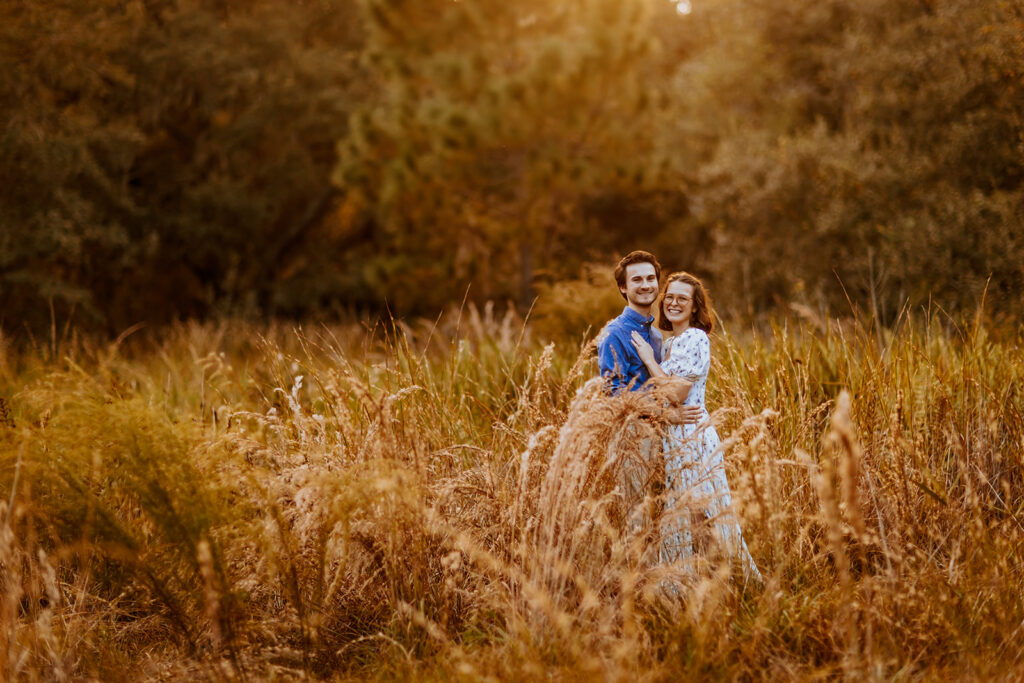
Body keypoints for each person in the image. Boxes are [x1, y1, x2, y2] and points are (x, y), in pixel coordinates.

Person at [630, 271, 761, 581]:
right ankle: (697, 581)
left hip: (693, 434)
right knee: (684, 511)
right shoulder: (670, 342)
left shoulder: (694, 338)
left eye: (682, 299)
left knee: (700, 512)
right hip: (674, 434)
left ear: (695, 306)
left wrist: (649, 360)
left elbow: (676, 393)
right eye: (670, 297)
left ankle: (728, 580)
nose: (674, 303)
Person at [597, 252, 702, 536]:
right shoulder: (614, 334)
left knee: (666, 518)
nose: (645, 285)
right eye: (637, 280)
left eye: (650, 278)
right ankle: (635, 580)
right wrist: (666, 414)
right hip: (632, 439)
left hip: (665, 438)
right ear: (623, 288)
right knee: (637, 521)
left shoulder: (656, 336)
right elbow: (614, 395)